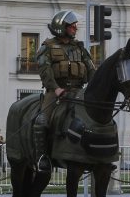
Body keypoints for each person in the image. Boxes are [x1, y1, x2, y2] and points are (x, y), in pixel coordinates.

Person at [34, 10, 96, 172]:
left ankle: (97, 156)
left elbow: (91, 70)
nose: (75, 28)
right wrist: (56, 89)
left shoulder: (80, 48)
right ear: (62, 27)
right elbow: (44, 71)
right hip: (56, 92)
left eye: (75, 25)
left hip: (78, 91)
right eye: (72, 25)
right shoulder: (47, 47)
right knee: (42, 121)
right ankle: (43, 157)